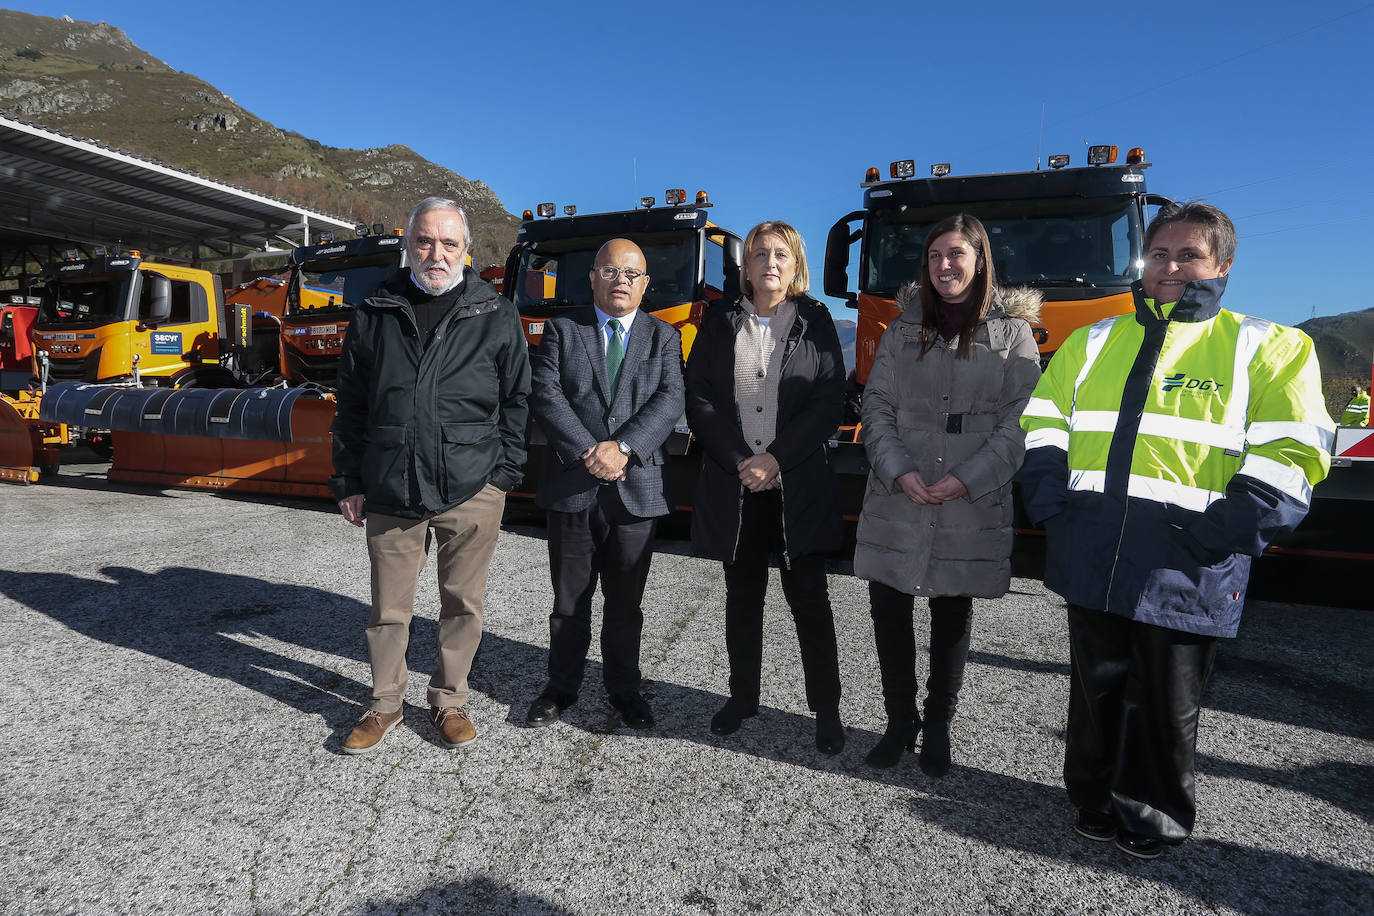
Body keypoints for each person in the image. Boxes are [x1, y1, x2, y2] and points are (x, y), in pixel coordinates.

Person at [1019, 202, 1333, 858]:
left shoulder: (1271, 347)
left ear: (1222, 265)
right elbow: (1044, 425)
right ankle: (1093, 799)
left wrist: (1219, 535)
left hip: (1188, 559)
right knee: (1096, 686)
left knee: (1165, 702)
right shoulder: (1094, 340)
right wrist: (1054, 509)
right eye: (1159, 255)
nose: (1171, 267)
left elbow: (1294, 455)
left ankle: (1154, 816)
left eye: (1188, 255)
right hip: (1095, 549)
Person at [331, 196, 531, 755]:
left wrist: (503, 476)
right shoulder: (376, 309)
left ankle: (449, 701)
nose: (436, 254)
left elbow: (517, 399)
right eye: (425, 241)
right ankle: (385, 704)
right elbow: (350, 404)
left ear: (467, 251)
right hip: (392, 484)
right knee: (388, 611)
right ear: (408, 246)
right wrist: (348, 479)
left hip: (471, 487)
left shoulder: (496, 312)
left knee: (462, 605)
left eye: (449, 243)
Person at [853, 213, 1042, 776]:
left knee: (951, 618)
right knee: (889, 610)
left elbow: (1022, 422)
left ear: (980, 259)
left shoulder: (1013, 333)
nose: (945, 266)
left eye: (957, 254)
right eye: (935, 256)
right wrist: (898, 469)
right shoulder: (901, 327)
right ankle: (898, 721)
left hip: (970, 494)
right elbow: (877, 406)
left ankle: (937, 726)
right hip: (899, 490)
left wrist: (969, 477)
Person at [684, 220, 847, 754]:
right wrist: (742, 463)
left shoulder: (817, 321)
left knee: (809, 601)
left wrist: (775, 459)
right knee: (742, 598)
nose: (769, 263)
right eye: (759, 255)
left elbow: (829, 403)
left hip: (796, 486)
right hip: (738, 488)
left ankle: (826, 710)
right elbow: (701, 399)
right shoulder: (719, 320)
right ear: (745, 266)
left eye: (780, 254)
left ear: (795, 264)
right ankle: (743, 696)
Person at [523, 239, 684, 729]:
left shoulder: (664, 336)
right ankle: (561, 688)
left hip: (637, 488)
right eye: (611, 271)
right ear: (592, 276)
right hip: (575, 484)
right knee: (569, 601)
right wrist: (590, 452)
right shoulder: (562, 329)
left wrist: (623, 447)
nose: (621, 281)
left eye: (631, 274)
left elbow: (671, 396)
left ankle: (624, 689)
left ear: (645, 284)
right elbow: (545, 393)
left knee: (626, 604)